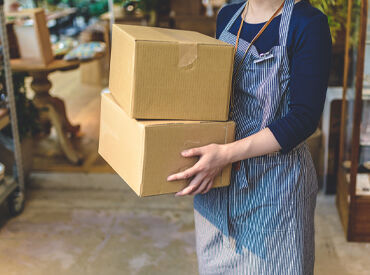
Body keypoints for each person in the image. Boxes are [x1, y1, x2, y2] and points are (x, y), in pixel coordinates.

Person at [167, 0, 332, 273]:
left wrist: (226, 154)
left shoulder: (307, 23)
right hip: (217, 188)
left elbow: (303, 120)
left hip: (275, 189)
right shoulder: (228, 16)